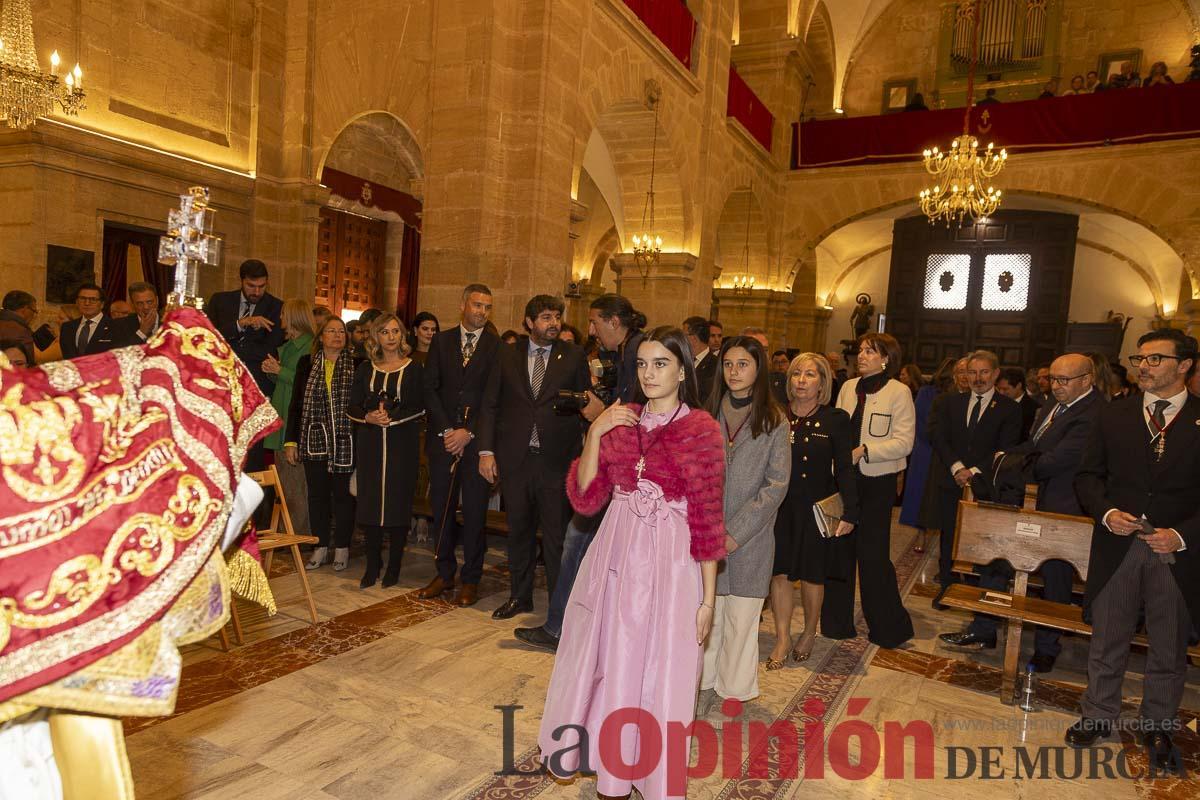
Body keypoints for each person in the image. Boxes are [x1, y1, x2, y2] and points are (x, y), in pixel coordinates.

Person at [537, 326, 726, 800]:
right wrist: (596, 432)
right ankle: (613, 773)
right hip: (617, 556)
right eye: (642, 364)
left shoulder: (702, 428)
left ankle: (654, 775)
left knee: (664, 667)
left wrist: (707, 600)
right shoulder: (621, 422)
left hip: (671, 564)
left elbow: (707, 518)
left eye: (661, 364)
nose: (649, 373)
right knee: (612, 659)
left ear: (682, 371)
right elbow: (585, 498)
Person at [1067, 329, 1200, 773]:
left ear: (1184, 365)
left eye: (1155, 359)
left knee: (1168, 644)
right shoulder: (1115, 414)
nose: (1143, 366)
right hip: (1118, 545)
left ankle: (1158, 725)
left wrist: (1181, 535)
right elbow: (1088, 476)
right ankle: (1097, 714)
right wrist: (1106, 513)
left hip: (1176, 553)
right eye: (1139, 359)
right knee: (1108, 637)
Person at [939, 353, 1101, 668]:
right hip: (1027, 500)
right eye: (1053, 379)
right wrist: (1003, 458)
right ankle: (984, 629)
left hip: (1063, 508)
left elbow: (1053, 462)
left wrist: (1008, 464)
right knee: (997, 558)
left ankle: (1046, 648)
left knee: (1055, 576)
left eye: (1064, 380)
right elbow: (1032, 445)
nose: (1056, 386)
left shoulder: (1093, 414)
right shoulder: (1054, 404)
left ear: (1087, 380)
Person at [513, 294, 644, 651]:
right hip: (613, 468)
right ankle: (567, 626)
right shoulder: (624, 353)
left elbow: (634, 415)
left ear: (613, 322)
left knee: (575, 542)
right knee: (578, 543)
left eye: (595, 322)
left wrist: (600, 414)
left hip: (619, 472)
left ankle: (561, 628)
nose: (591, 330)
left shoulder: (635, 353)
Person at [478, 295, 591, 618]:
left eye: (556, 316)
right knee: (519, 532)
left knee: (556, 537)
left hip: (556, 460)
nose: (554, 323)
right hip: (516, 459)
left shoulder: (573, 355)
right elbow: (490, 404)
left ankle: (559, 605)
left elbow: (586, 404)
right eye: (546, 317)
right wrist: (486, 451)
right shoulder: (506, 354)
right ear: (529, 322)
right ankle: (520, 596)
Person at [700, 336, 789, 703]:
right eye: (728, 364)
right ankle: (702, 683)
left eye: (743, 364)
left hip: (751, 538)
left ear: (758, 369)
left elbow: (776, 484)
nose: (734, 372)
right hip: (708, 533)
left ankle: (733, 692)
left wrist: (735, 533)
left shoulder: (774, 420)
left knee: (741, 618)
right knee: (710, 616)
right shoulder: (707, 415)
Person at [767, 353, 857, 669]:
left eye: (810, 374)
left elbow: (844, 468)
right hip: (779, 507)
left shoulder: (836, 419)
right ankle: (782, 637)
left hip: (817, 509)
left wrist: (851, 512)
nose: (801, 380)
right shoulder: (775, 415)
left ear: (822, 382)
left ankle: (808, 632)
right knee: (779, 572)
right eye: (796, 374)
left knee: (812, 574)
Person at [827, 333, 916, 648]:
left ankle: (888, 627)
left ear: (886, 359)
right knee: (840, 551)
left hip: (878, 481)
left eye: (870, 352)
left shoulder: (899, 392)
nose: (862, 356)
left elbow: (904, 442)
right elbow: (837, 430)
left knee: (873, 556)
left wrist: (865, 450)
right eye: (862, 350)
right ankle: (837, 624)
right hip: (846, 480)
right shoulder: (848, 387)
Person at [417, 284, 499, 605]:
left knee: (476, 513)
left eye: (487, 307)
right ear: (463, 304)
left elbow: (494, 397)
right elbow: (429, 389)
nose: (482, 312)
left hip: (477, 445)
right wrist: (449, 430)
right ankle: (444, 572)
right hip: (443, 442)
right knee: (442, 510)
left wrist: (469, 432)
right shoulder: (441, 341)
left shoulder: (495, 347)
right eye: (477, 305)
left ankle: (471, 578)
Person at [929, 350, 1023, 607]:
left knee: (984, 541)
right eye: (972, 372)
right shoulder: (950, 403)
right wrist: (958, 468)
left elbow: (1006, 447)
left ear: (995, 374)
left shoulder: (1010, 409)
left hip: (987, 485)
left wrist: (973, 471)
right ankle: (947, 589)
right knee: (949, 537)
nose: (977, 378)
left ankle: (978, 596)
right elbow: (939, 438)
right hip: (952, 480)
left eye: (984, 372)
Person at [349, 314, 425, 588]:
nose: (391, 337)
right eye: (384, 332)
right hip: (370, 443)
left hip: (402, 444)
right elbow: (352, 405)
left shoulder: (414, 368)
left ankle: (393, 566)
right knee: (370, 505)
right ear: (376, 337)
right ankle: (372, 565)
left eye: (395, 331)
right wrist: (368, 417)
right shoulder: (364, 369)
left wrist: (392, 418)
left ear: (402, 335)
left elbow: (420, 406)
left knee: (397, 505)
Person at [285, 316, 357, 572]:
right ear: (321, 336)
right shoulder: (307, 363)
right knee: (317, 496)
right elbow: (296, 405)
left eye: (341, 331)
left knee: (344, 496)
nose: (337, 335)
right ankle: (321, 546)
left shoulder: (357, 364)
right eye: (331, 331)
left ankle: (342, 547)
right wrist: (291, 441)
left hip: (346, 441)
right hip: (314, 439)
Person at [261, 298, 316, 537]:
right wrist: (273, 371)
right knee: (284, 482)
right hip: (281, 413)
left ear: (294, 317)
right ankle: (287, 532)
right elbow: (285, 381)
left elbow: (307, 383)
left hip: (295, 421)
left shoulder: (311, 346)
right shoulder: (289, 345)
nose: (281, 318)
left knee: (296, 483)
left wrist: (280, 371)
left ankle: (298, 534)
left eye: (284, 314)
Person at [206, 259, 286, 395]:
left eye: (262, 286)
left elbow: (272, 349)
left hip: (258, 385)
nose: (257, 292)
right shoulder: (220, 301)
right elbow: (210, 337)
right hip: (220, 379)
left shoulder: (277, 307)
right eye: (251, 286)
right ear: (242, 281)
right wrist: (240, 324)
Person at [902, 357, 954, 531]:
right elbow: (919, 422)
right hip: (927, 448)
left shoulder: (961, 395)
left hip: (940, 449)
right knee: (921, 495)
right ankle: (921, 531)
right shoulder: (928, 392)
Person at [59, 283, 123, 358]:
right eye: (83, 298)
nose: (87, 303)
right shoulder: (67, 327)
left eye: (93, 299)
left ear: (102, 304)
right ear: (77, 302)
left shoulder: (115, 327)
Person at [996, 366, 1039, 439]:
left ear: (1019, 386)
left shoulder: (1034, 408)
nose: (1001, 393)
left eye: (1005, 389)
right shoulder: (996, 403)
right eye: (999, 389)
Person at [683, 315, 718, 400]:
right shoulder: (681, 360)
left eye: (684, 336)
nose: (681, 339)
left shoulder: (715, 365)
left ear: (694, 338)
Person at [0, 290, 37, 364]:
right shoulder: (21, 331)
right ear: (25, 309)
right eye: (34, 311)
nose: (34, 315)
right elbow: (29, 362)